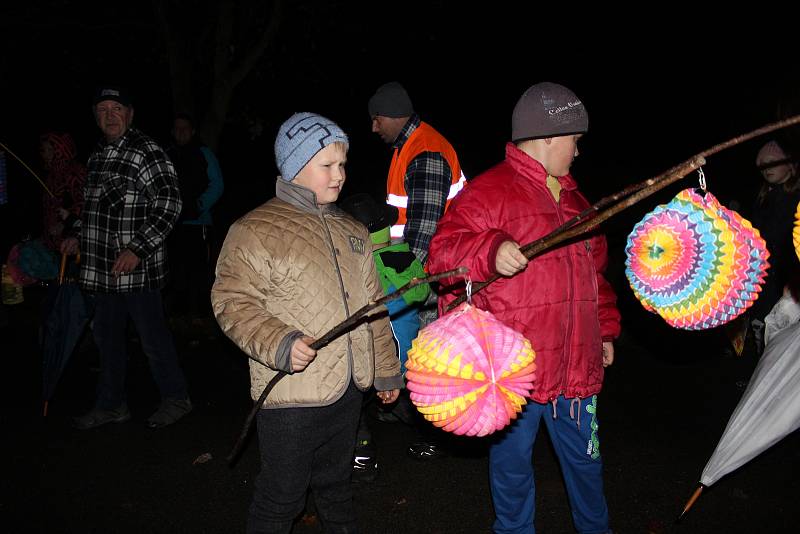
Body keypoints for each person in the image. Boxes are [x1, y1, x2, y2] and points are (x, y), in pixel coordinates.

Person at [427, 82, 621, 534]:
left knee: (587, 468)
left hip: (576, 367)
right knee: (512, 473)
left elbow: (596, 276)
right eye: (575, 139)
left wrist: (606, 330)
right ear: (550, 136)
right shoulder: (486, 193)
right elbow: (440, 257)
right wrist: (489, 250)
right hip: (514, 372)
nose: (578, 151)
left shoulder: (577, 203)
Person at [211, 112, 402, 533]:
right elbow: (231, 301)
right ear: (295, 168)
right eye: (327, 165)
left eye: (343, 164)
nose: (340, 175)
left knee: (337, 487)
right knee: (282, 496)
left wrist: (387, 373)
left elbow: (374, 307)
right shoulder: (254, 229)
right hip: (291, 397)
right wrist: (280, 341)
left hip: (348, 390)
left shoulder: (353, 231)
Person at [62, 86, 191, 430]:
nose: (109, 116)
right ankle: (111, 405)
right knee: (107, 343)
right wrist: (75, 234)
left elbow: (170, 203)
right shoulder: (97, 156)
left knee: (153, 341)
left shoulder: (146, 151)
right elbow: (90, 209)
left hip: (138, 273)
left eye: (116, 108)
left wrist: (138, 248)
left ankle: (177, 398)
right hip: (102, 273)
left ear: (130, 114)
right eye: (102, 110)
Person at [368, 80, 466, 460]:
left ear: (391, 115)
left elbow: (423, 233)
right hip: (425, 270)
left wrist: (407, 286)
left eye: (376, 120)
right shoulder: (408, 146)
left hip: (434, 273)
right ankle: (422, 419)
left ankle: (437, 435)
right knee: (425, 354)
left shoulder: (425, 152)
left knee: (430, 356)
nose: (373, 128)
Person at [339, 192, 429, 482]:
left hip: (380, 351)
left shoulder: (362, 266)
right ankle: (431, 440)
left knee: (357, 401)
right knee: (404, 395)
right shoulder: (401, 254)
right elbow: (422, 292)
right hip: (407, 345)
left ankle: (362, 456)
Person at [166, 113, 224, 319]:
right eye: (177, 128)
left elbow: (217, 184)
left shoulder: (204, 153)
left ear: (192, 131)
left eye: (185, 128)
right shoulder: (167, 155)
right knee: (175, 271)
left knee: (199, 271)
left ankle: (200, 317)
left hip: (198, 224)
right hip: (173, 225)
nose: (181, 132)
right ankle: (177, 317)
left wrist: (199, 205)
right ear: (173, 132)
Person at [748, 139, 800, 353]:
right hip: (762, 274)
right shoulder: (764, 196)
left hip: (785, 280)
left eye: (772, 162)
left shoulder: (795, 198)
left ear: (791, 165)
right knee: (760, 328)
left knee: (777, 336)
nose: (766, 169)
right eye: (762, 165)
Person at [39, 132, 86, 253]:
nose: (46, 154)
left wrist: (64, 224)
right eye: (44, 150)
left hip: (72, 243)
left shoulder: (74, 171)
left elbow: (84, 202)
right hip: (52, 243)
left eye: (51, 149)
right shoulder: (51, 176)